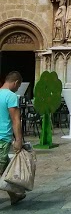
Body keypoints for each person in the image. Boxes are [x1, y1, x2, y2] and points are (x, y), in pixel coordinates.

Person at [0, 71, 25, 205]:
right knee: (1, 168)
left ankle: (14, 196)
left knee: (4, 168)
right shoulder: (11, 96)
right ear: (15, 83)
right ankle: (14, 195)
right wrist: (18, 140)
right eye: (18, 85)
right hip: (2, 138)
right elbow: (16, 120)